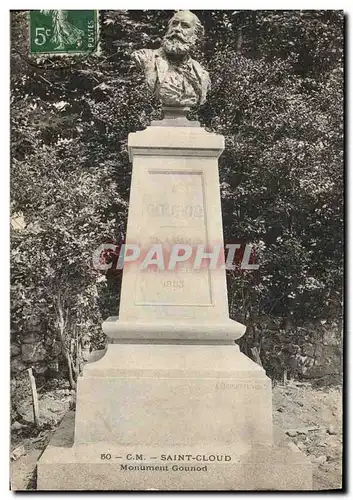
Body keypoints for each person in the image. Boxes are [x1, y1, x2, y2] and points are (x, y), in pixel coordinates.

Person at [132, 10, 210, 107]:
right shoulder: (147, 57)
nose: (177, 29)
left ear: (196, 35)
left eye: (185, 26)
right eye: (174, 24)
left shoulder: (201, 73)